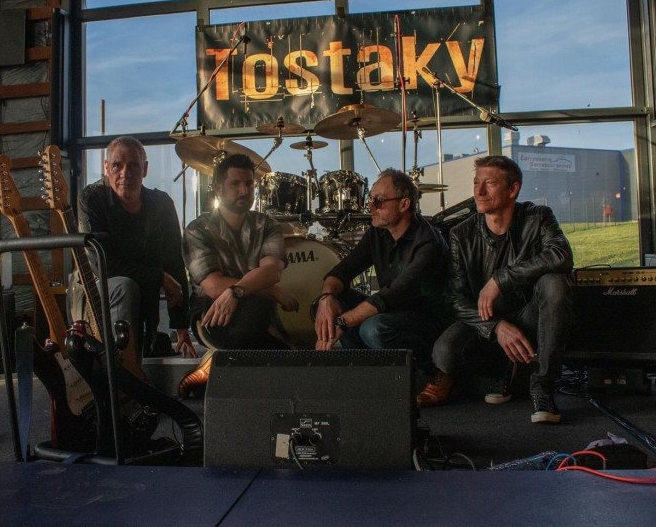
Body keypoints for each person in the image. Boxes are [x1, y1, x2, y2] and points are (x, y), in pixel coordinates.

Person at [417, 155, 573, 424]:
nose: (478, 191)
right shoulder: (461, 234)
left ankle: (543, 386)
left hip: (531, 315)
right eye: (476, 182)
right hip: (489, 321)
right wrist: (496, 327)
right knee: (444, 352)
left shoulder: (538, 217)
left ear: (513, 189)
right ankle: (504, 369)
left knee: (554, 282)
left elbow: (562, 255)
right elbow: (455, 298)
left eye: (489, 183)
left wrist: (501, 279)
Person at [179, 153, 299, 395]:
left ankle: (212, 369)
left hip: (256, 313)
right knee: (258, 313)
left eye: (249, 184)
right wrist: (270, 291)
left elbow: (271, 270)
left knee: (256, 309)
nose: (244, 191)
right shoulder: (197, 229)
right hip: (209, 311)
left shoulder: (267, 225)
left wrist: (237, 291)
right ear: (218, 188)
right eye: (235, 184)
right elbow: (213, 286)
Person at [71, 135, 197, 362]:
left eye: (133, 165)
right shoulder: (91, 199)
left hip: (143, 296)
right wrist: (158, 276)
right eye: (117, 165)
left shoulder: (162, 204)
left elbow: (174, 263)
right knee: (125, 286)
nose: (125, 173)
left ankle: (139, 352)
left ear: (145, 169)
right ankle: (122, 371)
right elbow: (102, 265)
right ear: (106, 168)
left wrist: (181, 327)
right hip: (93, 291)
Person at [314, 169, 449, 374]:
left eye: (378, 201)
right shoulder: (378, 232)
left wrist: (342, 322)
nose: (370, 206)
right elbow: (343, 270)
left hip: (427, 319)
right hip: (393, 310)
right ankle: (367, 371)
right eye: (370, 199)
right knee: (333, 302)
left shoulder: (428, 243)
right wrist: (326, 299)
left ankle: (431, 372)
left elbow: (394, 293)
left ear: (404, 204)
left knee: (373, 329)